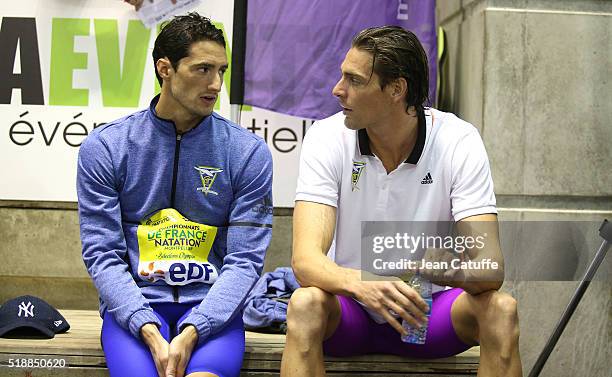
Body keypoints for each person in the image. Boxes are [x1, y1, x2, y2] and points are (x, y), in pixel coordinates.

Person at [281, 26, 522, 377]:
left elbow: (492, 267)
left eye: (355, 80)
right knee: (305, 304)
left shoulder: (458, 140)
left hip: (426, 314)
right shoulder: (327, 137)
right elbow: (305, 261)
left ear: (396, 89)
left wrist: (449, 270)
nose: (338, 89)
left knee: (501, 311)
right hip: (353, 311)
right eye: (341, 76)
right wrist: (362, 283)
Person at [77, 13, 273, 377]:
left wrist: (197, 327)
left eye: (222, 71)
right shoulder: (106, 147)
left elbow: (245, 261)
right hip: (134, 313)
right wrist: (146, 328)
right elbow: (102, 254)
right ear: (165, 68)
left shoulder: (247, 152)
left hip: (213, 312)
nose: (215, 84)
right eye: (202, 69)